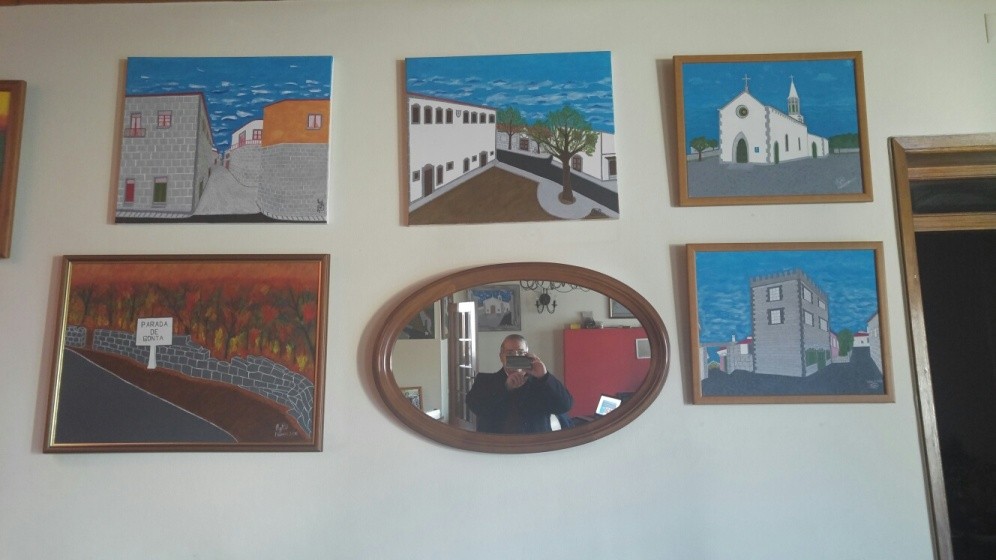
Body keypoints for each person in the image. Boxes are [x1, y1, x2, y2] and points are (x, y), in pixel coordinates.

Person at [466, 334, 573, 434]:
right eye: (510, 353)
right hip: (496, 444)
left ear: (529, 355)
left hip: (535, 444)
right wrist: (505, 387)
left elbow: (565, 406)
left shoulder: (541, 383)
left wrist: (544, 376)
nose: (516, 356)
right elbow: (476, 407)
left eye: (521, 353)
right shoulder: (485, 380)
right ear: (501, 356)